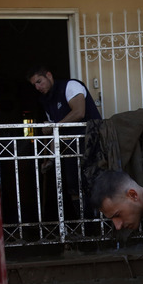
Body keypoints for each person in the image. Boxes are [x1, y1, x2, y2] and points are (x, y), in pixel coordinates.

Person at [26, 66, 103, 220]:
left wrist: (54, 126)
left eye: (39, 81)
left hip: (90, 143)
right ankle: (84, 226)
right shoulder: (46, 100)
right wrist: (49, 158)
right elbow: (54, 130)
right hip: (69, 148)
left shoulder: (70, 86)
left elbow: (78, 112)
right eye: (34, 85)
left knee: (94, 184)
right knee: (73, 187)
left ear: (49, 74)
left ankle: (100, 227)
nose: (38, 87)